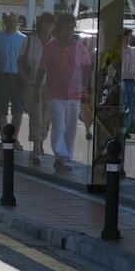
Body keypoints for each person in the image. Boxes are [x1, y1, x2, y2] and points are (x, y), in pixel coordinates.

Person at [35, 13, 91, 172]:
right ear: (58, 29)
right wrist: (36, 89)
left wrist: (87, 88)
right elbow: (41, 70)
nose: (70, 31)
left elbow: (87, 68)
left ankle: (64, 158)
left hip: (74, 95)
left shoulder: (79, 47)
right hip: (55, 95)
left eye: (72, 28)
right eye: (67, 27)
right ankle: (62, 156)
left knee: (71, 129)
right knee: (59, 127)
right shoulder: (50, 47)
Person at [18, 11, 55, 165]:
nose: (47, 27)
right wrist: (24, 78)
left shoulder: (55, 43)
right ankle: (37, 150)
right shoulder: (29, 41)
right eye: (44, 24)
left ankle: (39, 143)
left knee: (46, 119)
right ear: (39, 25)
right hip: (32, 85)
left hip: (50, 86)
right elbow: (20, 61)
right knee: (36, 116)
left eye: (50, 24)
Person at [0, 11, 27, 151]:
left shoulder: (23, 39)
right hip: (1, 76)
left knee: (18, 110)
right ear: (5, 22)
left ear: (18, 22)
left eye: (14, 21)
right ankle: (4, 139)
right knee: (1, 111)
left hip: (17, 77)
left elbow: (25, 61)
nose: (12, 23)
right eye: (10, 21)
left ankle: (14, 139)